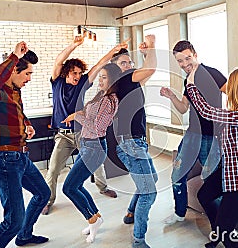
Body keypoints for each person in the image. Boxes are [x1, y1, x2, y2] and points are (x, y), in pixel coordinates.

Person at [186, 65, 238, 248]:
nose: (228, 88)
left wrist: (191, 85)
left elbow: (208, 112)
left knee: (227, 231)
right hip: (230, 169)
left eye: (232, 84)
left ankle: (221, 233)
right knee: (204, 195)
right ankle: (218, 234)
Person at [42, 35, 127, 215]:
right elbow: (58, 61)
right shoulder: (57, 82)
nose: (78, 76)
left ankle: (102, 187)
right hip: (63, 135)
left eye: (80, 73)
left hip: (83, 132)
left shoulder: (82, 84)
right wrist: (74, 44)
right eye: (74, 73)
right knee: (54, 169)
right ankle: (48, 200)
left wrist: (115, 50)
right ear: (66, 72)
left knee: (96, 163)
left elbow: (99, 64)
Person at [0, 42, 51, 247]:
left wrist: (27, 124)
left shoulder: (14, 92)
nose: (29, 79)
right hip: (5, 159)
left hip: (21, 157)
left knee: (42, 193)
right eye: (27, 73)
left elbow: (18, 113)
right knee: (13, 221)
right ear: (13, 70)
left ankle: (25, 236)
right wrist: (13, 57)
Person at [160, 40, 227, 226]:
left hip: (211, 138)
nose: (184, 64)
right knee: (177, 176)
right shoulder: (187, 80)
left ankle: (222, 222)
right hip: (192, 137)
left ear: (195, 54)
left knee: (212, 181)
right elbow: (183, 109)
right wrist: (172, 96)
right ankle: (179, 213)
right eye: (180, 61)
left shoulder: (213, 74)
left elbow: (236, 95)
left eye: (187, 58)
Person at [60, 63, 121, 243]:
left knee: (69, 187)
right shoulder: (100, 95)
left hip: (94, 148)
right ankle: (96, 217)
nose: (99, 80)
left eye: (104, 77)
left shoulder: (110, 100)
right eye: (99, 76)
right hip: (87, 145)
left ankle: (93, 220)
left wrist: (77, 116)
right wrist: (78, 113)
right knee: (76, 186)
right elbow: (89, 114)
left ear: (113, 80)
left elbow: (97, 127)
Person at [112, 35, 157, 248]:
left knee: (151, 179)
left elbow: (147, 70)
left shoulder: (130, 81)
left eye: (130, 62)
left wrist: (147, 52)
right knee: (149, 192)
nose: (129, 65)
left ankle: (131, 212)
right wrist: (153, 45)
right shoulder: (121, 80)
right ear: (114, 69)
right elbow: (151, 70)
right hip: (131, 144)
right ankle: (139, 240)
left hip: (136, 142)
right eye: (123, 63)